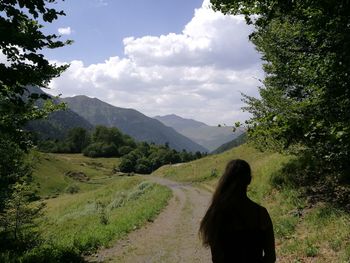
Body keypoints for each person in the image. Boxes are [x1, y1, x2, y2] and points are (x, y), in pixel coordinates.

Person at [199, 159, 276, 263]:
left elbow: (216, 258)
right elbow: (270, 257)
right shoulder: (261, 213)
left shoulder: (217, 213)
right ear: (249, 180)